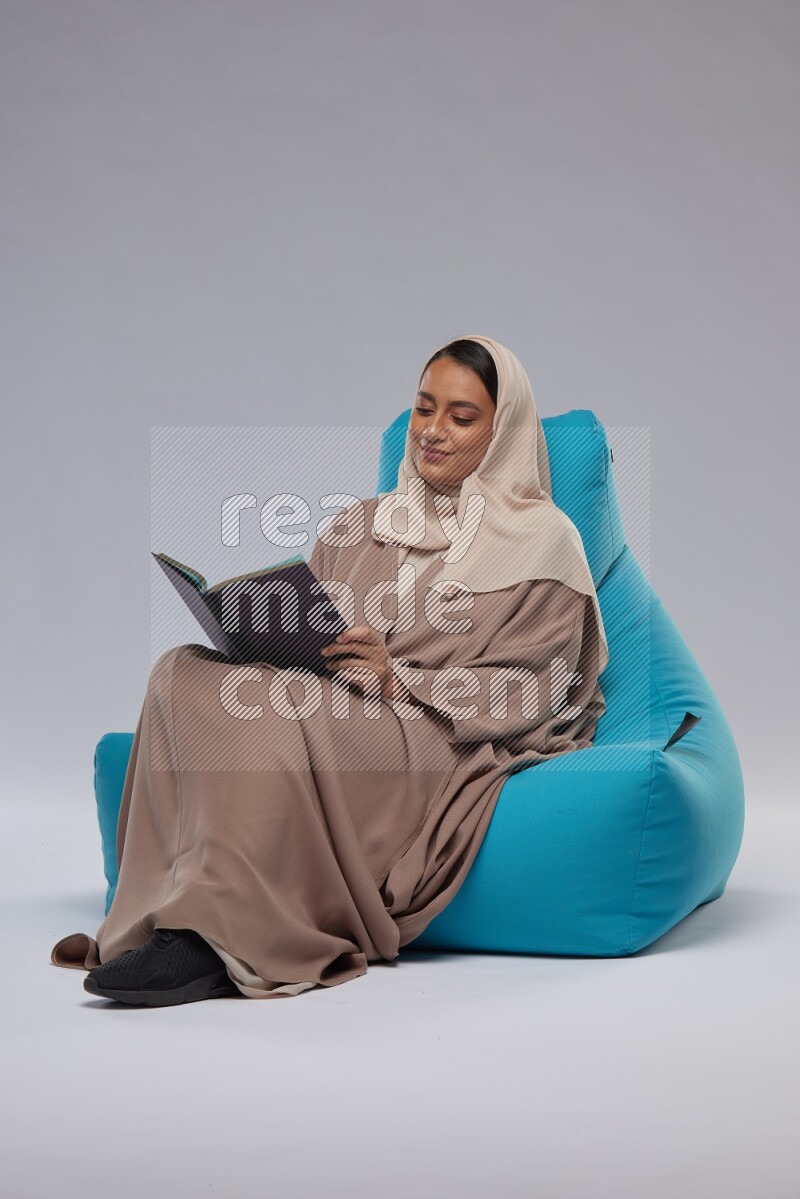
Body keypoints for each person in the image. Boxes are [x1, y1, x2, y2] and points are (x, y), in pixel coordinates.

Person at [50, 333, 609, 1005]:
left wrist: (400, 679)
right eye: (424, 408)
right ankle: (158, 912)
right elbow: (312, 626)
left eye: (460, 417)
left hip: (431, 731)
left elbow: (542, 684)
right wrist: (257, 637)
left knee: (268, 706)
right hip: (339, 704)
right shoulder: (361, 523)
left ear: (502, 430)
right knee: (181, 671)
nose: (431, 431)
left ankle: (216, 940)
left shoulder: (544, 540)